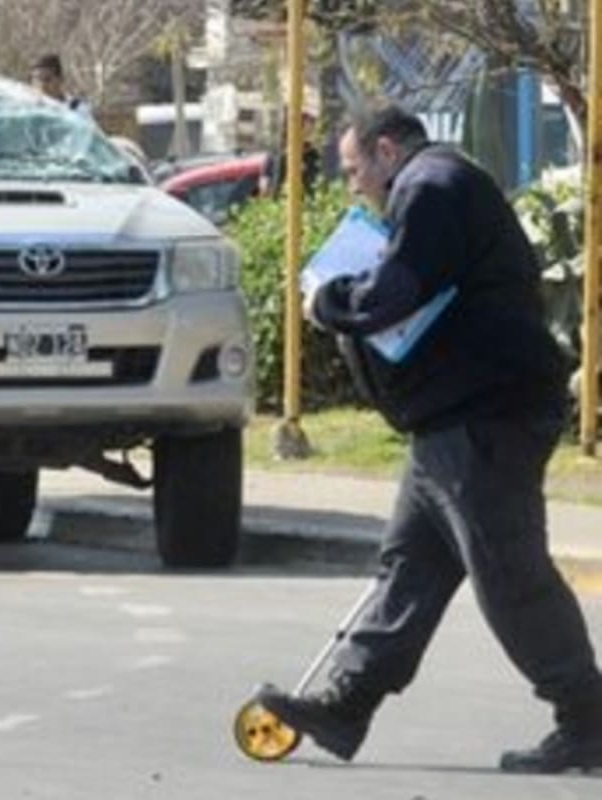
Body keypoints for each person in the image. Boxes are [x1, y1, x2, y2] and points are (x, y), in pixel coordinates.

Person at [255, 103, 602, 773]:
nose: (355, 185)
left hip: (484, 418)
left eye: (356, 169)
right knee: (409, 567)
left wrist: (325, 300)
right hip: (451, 421)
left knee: (510, 575)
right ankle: (345, 702)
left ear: (388, 150)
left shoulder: (433, 188)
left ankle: (588, 717)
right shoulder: (439, 186)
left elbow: (394, 291)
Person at [260, 108, 322, 198]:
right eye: (309, 125)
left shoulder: (313, 155)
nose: (311, 131)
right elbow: (264, 185)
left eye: (312, 126)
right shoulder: (277, 155)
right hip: (281, 204)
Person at [29, 53, 92, 119]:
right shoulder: (28, 108)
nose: (42, 85)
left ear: (60, 79)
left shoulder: (77, 108)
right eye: (37, 79)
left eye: (47, 79)